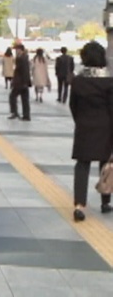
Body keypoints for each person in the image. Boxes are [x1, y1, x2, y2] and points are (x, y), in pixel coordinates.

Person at [69, 41, 113, 222]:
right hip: (105, 128)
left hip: (84, 127)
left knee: (82, 165)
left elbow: (73, 106)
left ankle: (79, 205)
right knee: (106, 164)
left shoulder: (78, 81)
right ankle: (105, 201)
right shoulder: (109, 82)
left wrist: (80, 121)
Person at [9, 44, 32, 121]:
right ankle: (26, 115)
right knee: (25, 99)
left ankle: (15, 112)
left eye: (17, 49)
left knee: (12, 96)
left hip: (20, 82)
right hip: (23, 82)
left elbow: (24, 71)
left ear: (21, 50)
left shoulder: (21, 58)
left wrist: (24, 82)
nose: (16, 51)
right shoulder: (24, 57)